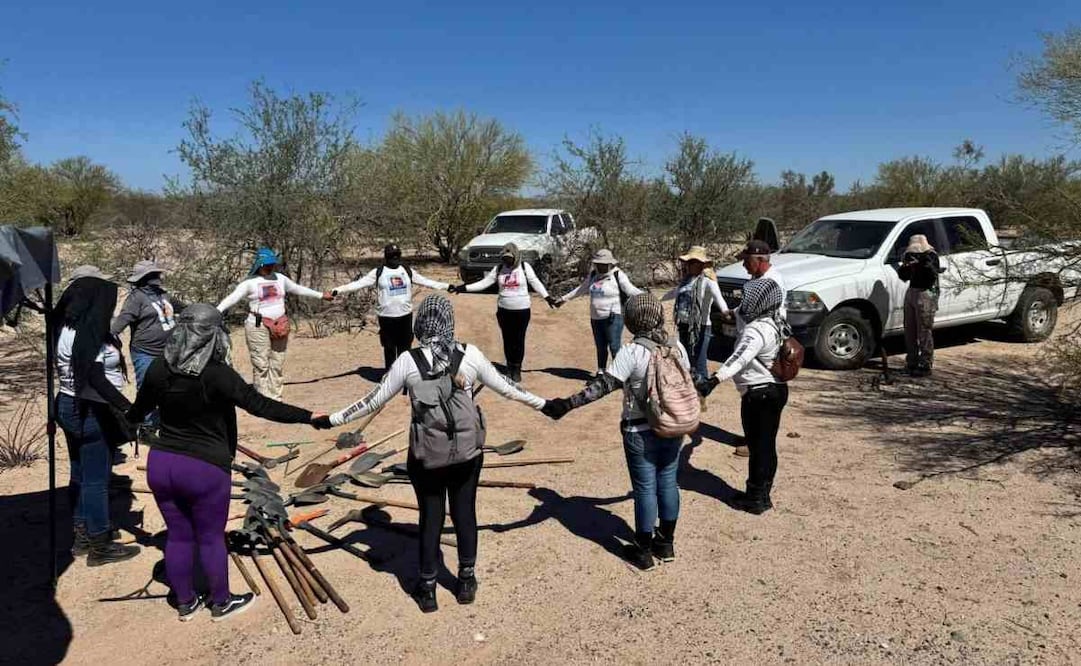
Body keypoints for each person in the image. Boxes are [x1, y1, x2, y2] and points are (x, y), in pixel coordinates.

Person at [313, 295, 551, 612]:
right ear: (449, 322)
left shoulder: (408, 361)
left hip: (427, 456)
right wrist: (547, 405)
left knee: (430, 517)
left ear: (420, 324)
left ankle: (427, 589)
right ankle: (465, 580)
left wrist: (331, 419)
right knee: (465, 512)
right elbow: (508, 388)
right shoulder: (470, 354)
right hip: (467, 453)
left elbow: (372, 401)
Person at [126, 304, 325, 621]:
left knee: (177, 535)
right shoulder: (216, 374)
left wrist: (120, 420)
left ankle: (185, 602)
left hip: (162, 463)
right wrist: (309, 417)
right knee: (210, 536)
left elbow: (138, 413)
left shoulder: (159, 369)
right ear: (213, 337)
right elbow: (259, 405)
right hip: (203, 467)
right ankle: (220, 601)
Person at [541, 293, 689, 571]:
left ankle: (643, 551)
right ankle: (666, 543)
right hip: (673, 425)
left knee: (645, 488)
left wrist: (567, 404)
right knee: (668, 482)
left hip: (640, 429)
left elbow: (603, 386)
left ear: (632, 320)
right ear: (659, 315)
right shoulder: (676, 346)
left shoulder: (632, 351)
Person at [52, 266, 141, 566]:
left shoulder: (65, 327)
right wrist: (129, 408)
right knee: (96, 479)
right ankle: (100, 543)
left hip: (66, 403)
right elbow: (96, 377)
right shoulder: (88, 333)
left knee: (79, 473)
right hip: (90, 408)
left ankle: (82, 534)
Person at [696, 278, 788, 515]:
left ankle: (755, 499)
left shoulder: (756, 330)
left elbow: (740, 358)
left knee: (759, 447)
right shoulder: (775, 319)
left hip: (759, 395)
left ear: (759, 301)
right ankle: (762, 494)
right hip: (775, 391)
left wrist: (714, 380)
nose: (744, 301)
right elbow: (735, 314)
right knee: (767, 445)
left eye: (748, 297)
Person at [216, 248, 332, 399]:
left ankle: (276, 396)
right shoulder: (249, 283)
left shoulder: (280, 279)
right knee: (261, 363)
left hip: (280, 324)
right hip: (258, 325)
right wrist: (217, 310)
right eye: (266, 265)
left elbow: (297, 289)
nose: (270, 267)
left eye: (272, 264)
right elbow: (233, 298)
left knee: (277, 361)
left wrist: (321, 295)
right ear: (259, 265)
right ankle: (262, 399)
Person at [449, 243, 559, 382]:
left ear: (516, 256)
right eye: (505, 258)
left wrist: (547, 297)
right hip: (504, 310)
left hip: (522, 310)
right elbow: (484, 283)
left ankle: (517, 369)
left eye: (510, 258)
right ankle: (509, 367)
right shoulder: (499, 268)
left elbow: (535, 282)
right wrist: (462, 288)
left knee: (518, 340)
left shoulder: (524, 267)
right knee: (507, 340)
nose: (507, 261)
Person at [332, 243, 450, 373]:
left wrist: (447, 286)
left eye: (397, 255)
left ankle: (404, 375)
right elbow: (358, 284)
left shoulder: (406, 270)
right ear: (386, 257)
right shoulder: (378, 272)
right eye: (391, 255)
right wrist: (337, 290)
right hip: (386, 317)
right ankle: (390, 375)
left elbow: (427, 281)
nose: (394, 258)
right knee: (389, 347)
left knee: (405, 348)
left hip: (405, 316)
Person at [110, 259, 182, 430]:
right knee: (147, 387)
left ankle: (168, 419)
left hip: (169, 350)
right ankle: (147, 425)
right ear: (144, 278)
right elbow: (120, 323)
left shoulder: (164, 294)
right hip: (145, 351)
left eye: (157, 274)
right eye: (154, 274)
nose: (158, 277)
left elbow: (182, 308)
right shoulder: (136, 299)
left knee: (171, 385)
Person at [558, 249, 643, 377]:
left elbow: (630, 290)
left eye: (603, 264)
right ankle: (601, 371)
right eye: (598, 264)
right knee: (600, 346)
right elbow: (581, 289)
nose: (600, 266)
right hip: (595, 317)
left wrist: (646, 296)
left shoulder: (617, 275)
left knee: (614, 346)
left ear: (610, 264)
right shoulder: (593, 275)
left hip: (613, 317)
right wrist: (564, 299)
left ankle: (620, 374)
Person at [661, 246, 729, 382]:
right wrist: (658, 300)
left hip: (701, 328)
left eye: (692, 262)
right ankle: (691, 390)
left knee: (699, 360)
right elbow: (675, 293)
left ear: (701, 264)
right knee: (686, 359)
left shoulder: (708, 282)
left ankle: (703, 390)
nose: (688, 265)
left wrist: (726, 312)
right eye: (689, 262)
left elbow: (718, 298)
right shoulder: (685, 281)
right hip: (684, 326)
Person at [897, 234, 944, 377]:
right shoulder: (910, 256)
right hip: (912, 291)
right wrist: (907, 266)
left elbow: (931, 275)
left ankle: (925, 363)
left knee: (924, 330)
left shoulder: (931, 256)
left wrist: (922, 263)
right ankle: (911, 361)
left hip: (926, 293)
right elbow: (904, 276)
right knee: (909, 330)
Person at [736, 239, 787, 329]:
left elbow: (751, 311)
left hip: (761, 334)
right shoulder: (757, 276)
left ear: (760, 260)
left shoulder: (769, 282)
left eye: (747, 261)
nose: (744, 265)